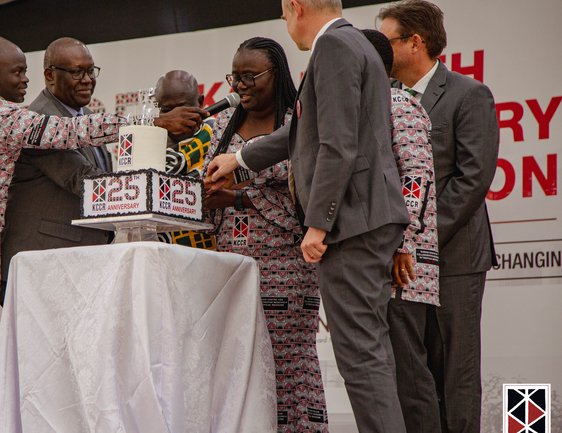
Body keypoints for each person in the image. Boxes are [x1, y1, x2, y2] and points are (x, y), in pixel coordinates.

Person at [0, 35, 203, 433]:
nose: (26, 81)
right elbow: (70, 135)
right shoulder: (8, 118)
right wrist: (148, 121)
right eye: (18, 72)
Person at [206, 1, 411, 432]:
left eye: (283, 13)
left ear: (296, 7)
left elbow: (337, 145)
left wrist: (319, 223)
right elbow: (303, 132)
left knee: (360, 358)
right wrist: (240, 156)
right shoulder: (354, 43)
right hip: (371, 217)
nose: (284, 22)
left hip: (353, 222)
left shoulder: (333, 47)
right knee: (370, 353)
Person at [377, 2, 499, 432]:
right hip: (400, 263)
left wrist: (419, 240)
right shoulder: (380, 97)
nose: (379, 48)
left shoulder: (469, 94)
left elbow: (472, 178)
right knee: (412, 372)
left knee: (456, 371)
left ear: (416, 42)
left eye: (386, 39)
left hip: (455, 259)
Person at [203, 36, 327, 432]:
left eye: (250, 76)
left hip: (286, 263)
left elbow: (306, 193)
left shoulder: (299, 121)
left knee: (287, 361)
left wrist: (239, 199)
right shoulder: (222, 124)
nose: (239, 85)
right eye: (234, 76)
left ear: (277, 73)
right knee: (239, 359)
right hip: (231, 265)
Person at [363, 28, 441, 433]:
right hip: (377, 261)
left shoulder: (399, 104)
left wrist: (402, 242)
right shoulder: (365, 106)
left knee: (409, 377)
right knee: (384, 378)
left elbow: (417, 180)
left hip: (403, 266)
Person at [1, 38, 111, 287]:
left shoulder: (90, 118)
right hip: (41, 265)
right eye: (76, 72)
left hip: (74, 263)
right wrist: (141, 190)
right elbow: (83, 180)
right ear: (50, 76)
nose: (87, 79)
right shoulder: (36, 120)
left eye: (90, 71)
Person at [154, 70, 216, 249]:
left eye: (183, 108)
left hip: (213, 248)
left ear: (201, 102)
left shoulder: (220, 136)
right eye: (167, 110)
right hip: (163, 250)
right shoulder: (147, 143)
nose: (176, 116)